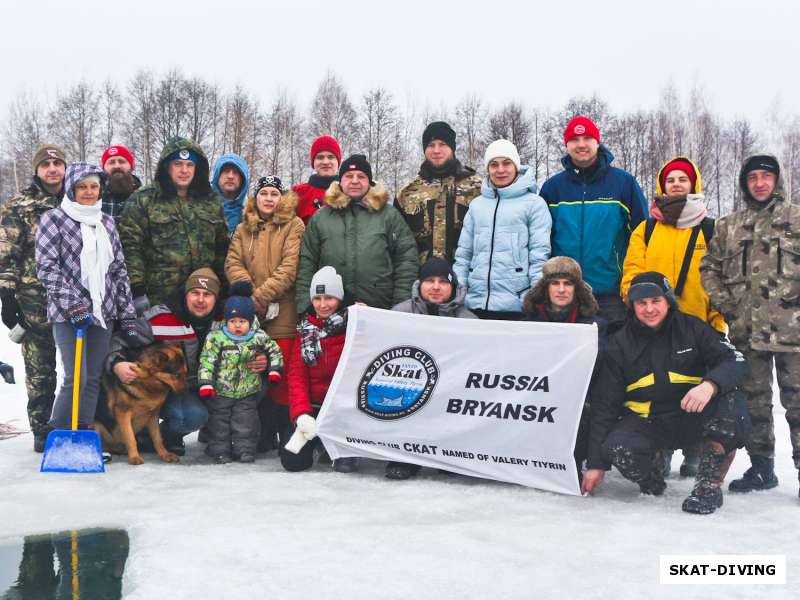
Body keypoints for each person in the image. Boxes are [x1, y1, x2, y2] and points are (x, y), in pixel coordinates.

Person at [582, 272, 750, 514]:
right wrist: (596, 464)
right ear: (632, 306)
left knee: (732, 405)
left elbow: (736, 361)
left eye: (655, 301)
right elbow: (604, 406)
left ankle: (708, 487)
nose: (649, 309)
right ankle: (652, 480)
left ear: (668, 301)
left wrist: (710, 385)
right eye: (641, 303)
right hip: (650, 423)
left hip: (695, 417)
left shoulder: (693, 327)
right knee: (616, 447)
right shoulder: (619, 344)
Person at [701, 154, 800, 497]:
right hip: (747, 331)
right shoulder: (729, 225)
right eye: (752, 177)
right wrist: (727, 306)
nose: (759, 182)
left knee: (798, 403)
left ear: (777, 181)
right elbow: (709, 268)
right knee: (755, 402)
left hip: (793, 332)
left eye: (766, 176)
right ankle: (762, 468)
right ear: (745, 183)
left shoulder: (796, 219)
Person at [621, 156, 725, 478]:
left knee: (695, 384)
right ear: (661, 186)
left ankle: (695, 448)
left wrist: (718, 319)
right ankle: (660, 448)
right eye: (670, 180)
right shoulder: (647, 227)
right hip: (653, 323)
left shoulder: (709, 227)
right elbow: (631, 273)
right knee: (659, 387)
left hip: (697, 324)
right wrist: (637, 306)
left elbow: (722, 278)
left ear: (693, 184)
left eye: (682, 179)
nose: (676, 184)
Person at [104, 269, 268, 454]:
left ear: (216, 298)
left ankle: (214, 431)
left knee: (258, 385)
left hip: (217, 384)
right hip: (179, 390)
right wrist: (116, 363)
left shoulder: (229, 319)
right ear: (186, 294)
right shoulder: (161, 318)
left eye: (207, 294)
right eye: (195, 293)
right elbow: (120, 339)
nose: (200, 300)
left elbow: (258, 342)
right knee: (189, 416)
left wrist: (261, 358)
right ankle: (167, 435)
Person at [35, 162, 136, 432]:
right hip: (68, 314)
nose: (89, 192)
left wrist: (126, 313)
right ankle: (58, 432)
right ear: (71, 189)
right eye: (82, 187)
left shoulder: (106, 223)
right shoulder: (54, 219)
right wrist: (74, 306)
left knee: (92, 377)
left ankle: (83, 432)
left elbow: (118, 269)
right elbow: (47, 267)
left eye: (94, 186)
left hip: (103, 311)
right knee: (74, 377)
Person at [540, 116, 648, 330]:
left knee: (612, 356)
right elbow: (542, 240)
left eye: (587, 138)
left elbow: (642, 235)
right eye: (575, 139)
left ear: (597, 142)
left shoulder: (623, 183)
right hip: (565, 293)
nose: (581, 144)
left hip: (610, 294)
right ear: (567, 145)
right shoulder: (552, 188)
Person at [225, 175, 305, 451]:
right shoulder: (243, 228)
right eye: (264, 194)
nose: (269, 199)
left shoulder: (294, 225)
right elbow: (233, 262)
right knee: (251, 367)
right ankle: (259, 431)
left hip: (282, 309)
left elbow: (290, 268)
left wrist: (261, 295)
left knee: (279, 370)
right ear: (255, 198)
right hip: (250, 312)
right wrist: (248, 292)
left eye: (274, 194)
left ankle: (284, 428)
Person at [384, 258, 476, 480]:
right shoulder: (399, 313)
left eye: (443, 281)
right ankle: (404, 458)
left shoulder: (469, 321)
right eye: (430, 280)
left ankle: (449, 454)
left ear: (452, 286)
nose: (436, 287)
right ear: (419, 284)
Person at [0, 144, 67, 451]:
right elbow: (7, 254)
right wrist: (7, 294)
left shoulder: (77, 199)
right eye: (46, 164)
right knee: (41, 373)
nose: (52, 168)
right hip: (34, 303)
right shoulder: (19, 205)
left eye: (57, 163)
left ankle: (78, 423)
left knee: (81, 369)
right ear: (38, 170)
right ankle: (42, 430)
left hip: (73, 300)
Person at [296, 154, 418, 314]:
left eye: (361, 176)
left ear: (370, 181)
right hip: (329, 313)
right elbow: (307, 262)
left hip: (380, 310)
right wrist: (307, 307)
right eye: (349, 176)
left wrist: (400, 306)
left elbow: (406, 259)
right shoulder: (321, 218)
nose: (354, 181)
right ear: (340, 181)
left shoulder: (389, 215)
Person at [118, 137, 229, 311]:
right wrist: (136, 289)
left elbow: (221, 248)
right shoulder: (143, 199)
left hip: (203, 298)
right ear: (167, 166)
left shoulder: (210, 200)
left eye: (189, 165)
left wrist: (225, 288)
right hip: (159, 299)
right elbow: (130, 246)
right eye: (178, 164)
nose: (184, 170)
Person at [523, 256, 607, 480]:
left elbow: (597, 365)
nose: (561, 289)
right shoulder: (527, 324)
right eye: (555, 283)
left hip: (577, 398)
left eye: (568, 284)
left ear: (576, 289)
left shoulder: (594, 325)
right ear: (545, 288)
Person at [453, 139, 551, 320]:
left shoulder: (534, 204)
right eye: (494, 164)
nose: (500, 170)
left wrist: (535, 297)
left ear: (516, 166)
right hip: (475, 304)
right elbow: (464, 253)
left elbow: (539, 254)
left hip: (516, 304)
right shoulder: (477, 205)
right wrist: (459, 292)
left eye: (506, 163)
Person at [198, 281, 283, 464]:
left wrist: (274, 370)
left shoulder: (258, 336)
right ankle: (220, 450)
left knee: (246, 422)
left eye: (242, 321)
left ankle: (245, 450)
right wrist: (206, 383)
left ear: (250, 321)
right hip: (221, 390)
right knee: (219, 422)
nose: (237, 326)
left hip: (247, 391)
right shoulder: (216, 338)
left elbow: (275, 351)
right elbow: (207, 360)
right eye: (233, 321)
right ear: (226, 321)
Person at [282, 266, 352, 473]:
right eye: (317, 298)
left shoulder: (353, 324)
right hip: (313, 408)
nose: (323, 305)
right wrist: (301, 413)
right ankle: (317, 441)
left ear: (339, 298)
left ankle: (335, 445)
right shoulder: (305, 329)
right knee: (292, 461)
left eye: (329, 298)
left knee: (345, 466)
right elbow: (297, 377)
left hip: (341, 409)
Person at [396, 121, 482, 264]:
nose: (436, 150)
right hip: (423, 281)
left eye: (442, 144)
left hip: (466, 278)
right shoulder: (407, 193)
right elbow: (398, 246)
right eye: (431, 145)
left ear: (452, 148)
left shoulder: (477, 188)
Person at [293, 135, 342, 225]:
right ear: (313, 162)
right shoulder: (299, 193)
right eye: (320, 157)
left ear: (338, 161)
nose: (325, 162)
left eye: (331, 157)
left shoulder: (349, 192)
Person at [211, 152, 250, 235]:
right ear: (217, 176)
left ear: (242, 178)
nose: (230, 176)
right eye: (226, 171)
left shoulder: (252, 215)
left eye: (235, 172)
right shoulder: (200, 208)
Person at [100, 145, 141, 224]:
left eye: (121, 161)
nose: (117, 166)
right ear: (104, 168)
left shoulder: (144, 197)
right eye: (111, 162)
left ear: (131, 166)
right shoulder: (94, 197)